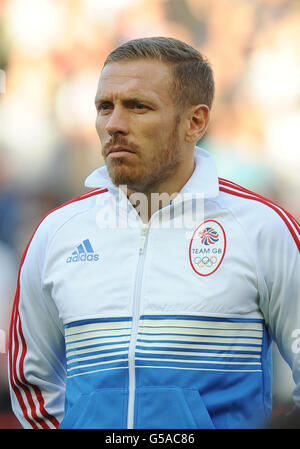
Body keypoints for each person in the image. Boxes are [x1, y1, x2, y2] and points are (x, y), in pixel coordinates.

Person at [8, 37, 300, 429]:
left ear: (194, 122)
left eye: (138, 107)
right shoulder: (56, 233)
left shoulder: (263, 229)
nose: (113, 124)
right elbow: (32, 385)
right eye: (104, 107)